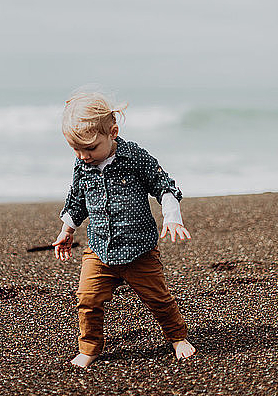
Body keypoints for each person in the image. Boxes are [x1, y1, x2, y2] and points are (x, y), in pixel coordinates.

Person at [52, 91, 196, 368]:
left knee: (158, 299)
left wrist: (172, 217)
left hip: (139, 249)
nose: (83, 156)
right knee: (87, 299)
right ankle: (90, 347)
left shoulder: (134, 158)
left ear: (113, 132)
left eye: (90, 148)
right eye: (76, 150)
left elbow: (163, 185)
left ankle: (178, 337)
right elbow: (77, 201)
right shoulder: (83, 166)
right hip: (100, 248)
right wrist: (66, 231)